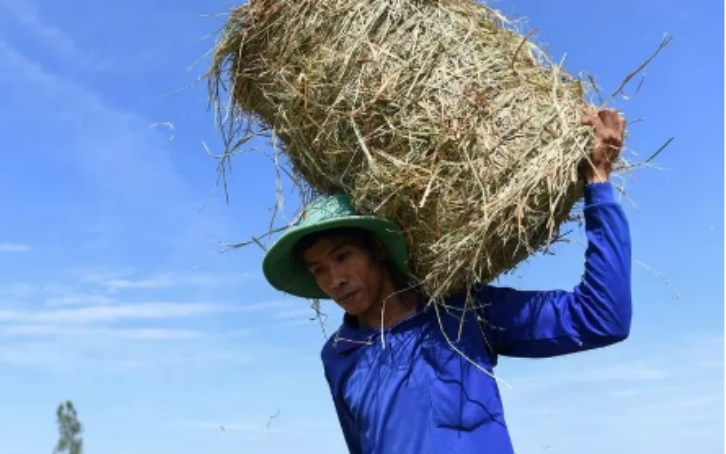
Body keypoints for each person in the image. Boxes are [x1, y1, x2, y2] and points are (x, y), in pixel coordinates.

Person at [261, 108, 631, 453]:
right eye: (318, 269)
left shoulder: (463, 313)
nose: (334, 280)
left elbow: (601, 318)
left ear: (376, 249)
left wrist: (597, 185)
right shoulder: (338, 355)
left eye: (342, 257)